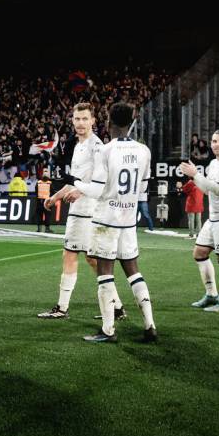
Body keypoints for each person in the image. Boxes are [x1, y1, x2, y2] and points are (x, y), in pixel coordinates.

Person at [58, 102, 157, 343]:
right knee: (134, 273)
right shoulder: (144, 151)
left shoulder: (106, 150)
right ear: (131, 121)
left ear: (108, 121)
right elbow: (143, 188)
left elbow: (96, 189)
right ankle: (150, 326)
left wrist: (75, 185)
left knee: (104, 273)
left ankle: (108, 330)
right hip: (128, 221)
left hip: (106, 220)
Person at [37, 102, 126, 320]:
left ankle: (63, 307)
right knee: (90, 259)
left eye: (85, 119)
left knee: (74, 255)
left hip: (88, 211)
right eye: (77, 119)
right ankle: (116, 307)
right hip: (80, 210)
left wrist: (79, 192)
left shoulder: (97, 147)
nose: (80, 123)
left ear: (93, 121)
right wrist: (56, 197)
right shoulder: (78, 146)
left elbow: (99, 182)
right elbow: (76, 182)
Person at [180, 129, 219, 313]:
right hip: (214, 218)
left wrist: (196, 175)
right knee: (199, 252)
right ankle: (211, 295)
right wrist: (195, 176)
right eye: (214, 141)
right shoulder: (213, 163)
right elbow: (208, 190)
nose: (217, 144)